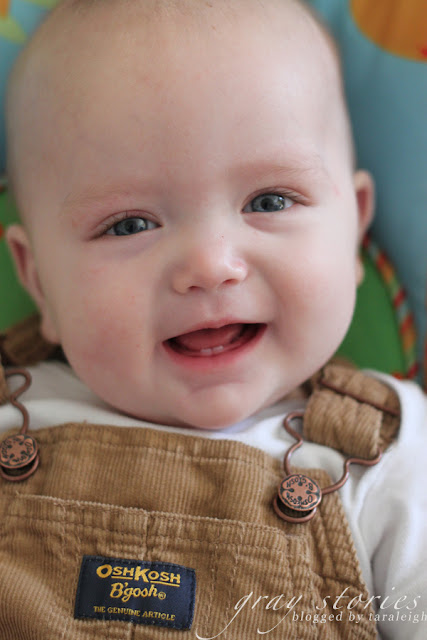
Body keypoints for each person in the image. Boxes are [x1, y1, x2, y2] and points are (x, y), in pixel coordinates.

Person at [0, 0, 426, 638]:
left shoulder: (389, 455)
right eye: (129, 224)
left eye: (270, 201)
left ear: (353, 231)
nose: (210, 265)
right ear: (39, 282)